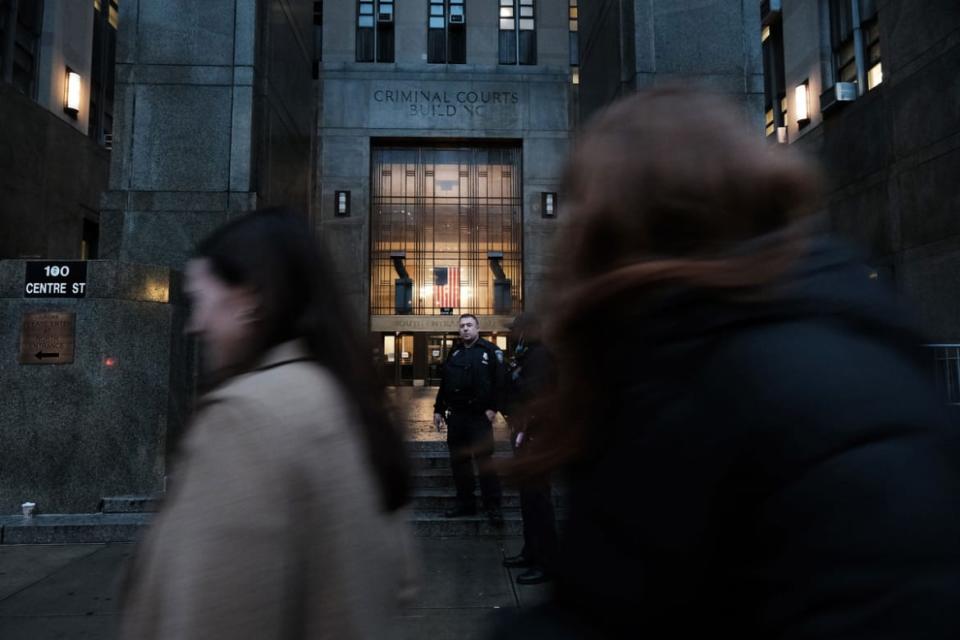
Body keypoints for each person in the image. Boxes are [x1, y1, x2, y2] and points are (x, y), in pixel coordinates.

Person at [493, 88, 960, 638]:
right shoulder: (675, 362)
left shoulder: (782, 390)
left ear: (621, 222)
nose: (565, 241)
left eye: (578, 211)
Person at [119, 208, 415, 640]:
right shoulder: (339, 397)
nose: (193, 325)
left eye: (201, 300)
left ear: (250, 299)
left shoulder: (244, 420)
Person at [501, 312, 559, 586]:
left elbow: (538, 397)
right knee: (528, 500)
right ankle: (531, 551)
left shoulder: (540, 356)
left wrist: (526, 430)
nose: (513, 334)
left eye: (517, 329)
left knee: (539, 502)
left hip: (536, 437)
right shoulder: (527, 354)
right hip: (525, 434)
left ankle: (546, 562)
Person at [434, 313, 505, 524]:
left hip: (478, 418)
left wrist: (493, 408)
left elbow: (500, 383)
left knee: (485, 462)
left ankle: (493, 507)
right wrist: (438, 409)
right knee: (460, 463)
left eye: (469, 325)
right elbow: (444, 384)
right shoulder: (454, 352)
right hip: (456, 418)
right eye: (462, 326)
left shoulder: (491, 351)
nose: (465, 329)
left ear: (477, 327)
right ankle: (466, 504)